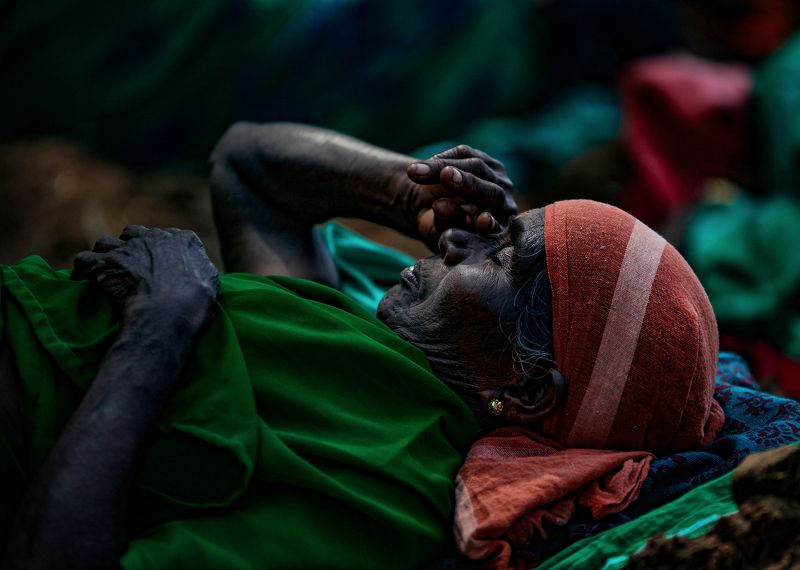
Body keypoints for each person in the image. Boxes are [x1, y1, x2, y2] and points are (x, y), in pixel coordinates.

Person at [0, 123, 721, 569]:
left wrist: (156, 333)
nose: (457, 241)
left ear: (526, 387)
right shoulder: (358, 328)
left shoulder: (387, 495)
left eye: (499, 256)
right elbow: (246, 166)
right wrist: (405, 193)